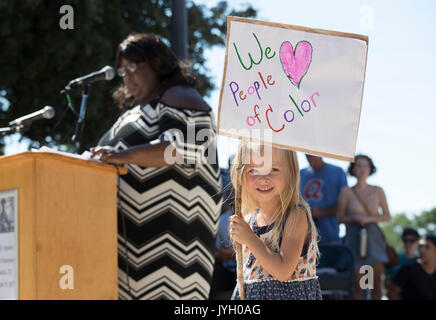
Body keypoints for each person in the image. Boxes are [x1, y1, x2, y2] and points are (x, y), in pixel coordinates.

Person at [90, 33, 222, 300]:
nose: (127, 77)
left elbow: (184, 149)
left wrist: (120, 156)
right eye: (122, 70)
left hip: (171, 254)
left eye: (133, 67)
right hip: (127, 254)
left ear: (158, 63)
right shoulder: (134, 112)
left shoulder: (182, 96)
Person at [229, 143, 322, 300]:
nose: (263, 178)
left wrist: (250, 239)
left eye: (273, 169)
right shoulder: (249, 219)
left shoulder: (295, 216)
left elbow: (283, 271)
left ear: (291, 173)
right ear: (241, 175)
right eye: (253, 170)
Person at [337, 154, 391, 300]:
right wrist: (353, 218)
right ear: (353, 169)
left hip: (374, 238)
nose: (362, 169)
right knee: (359, 285)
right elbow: (340, 218)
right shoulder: (346, 192)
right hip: (355, 238)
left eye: (365, 165)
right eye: (358, 165)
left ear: (370, 168)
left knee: (376, 285)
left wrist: (367, 219)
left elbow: (387, 216)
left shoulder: (378, 190)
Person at [300, 155, 348, 245]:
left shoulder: (337, 172)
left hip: (330, 234)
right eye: (308, 155)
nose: (311, 158)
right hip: (304, 236)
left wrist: (321, 212)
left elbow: (344, 204)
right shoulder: (301, 174)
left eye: (313, 155)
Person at [388, 235, 436, 300]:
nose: (422, 249)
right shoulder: (408, 270)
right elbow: (391, 293)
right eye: (420, 246)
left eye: (427, 247)